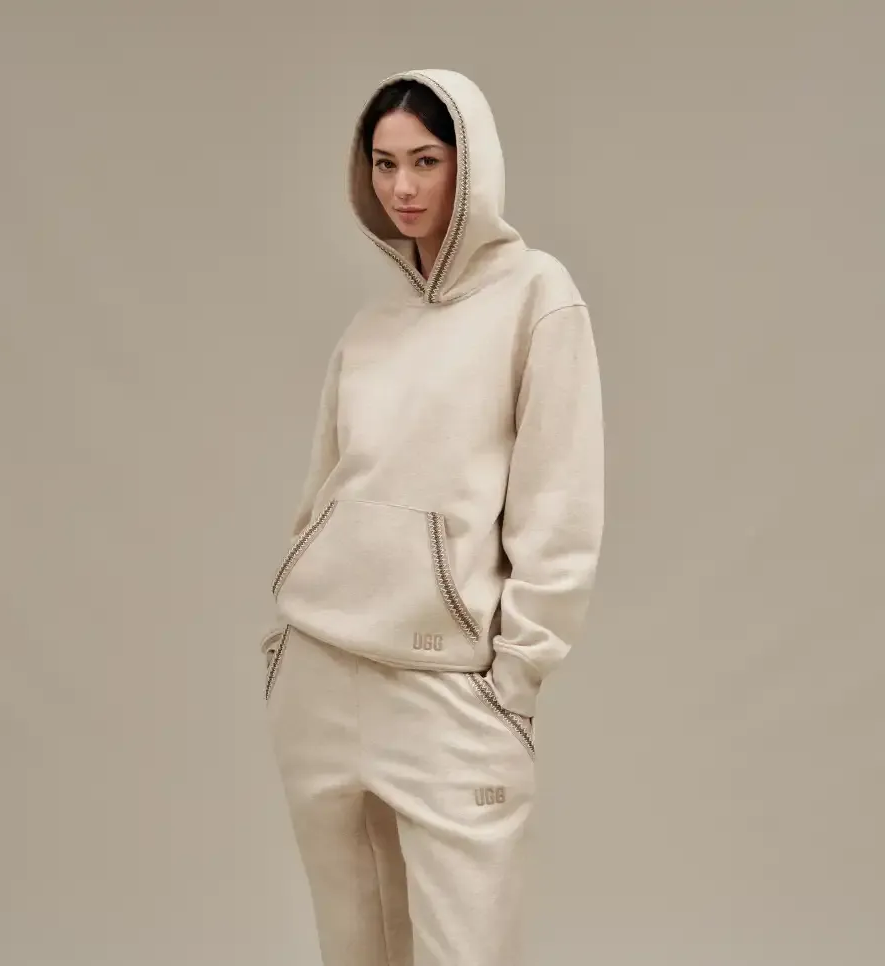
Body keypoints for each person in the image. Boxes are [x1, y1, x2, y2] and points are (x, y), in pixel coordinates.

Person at [261, 68, 605, 966]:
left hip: (447, 691)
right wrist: (283, 643)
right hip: (321, 676)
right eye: (384, 164)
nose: (403, 188)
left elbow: (561, 502)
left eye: (425, 160)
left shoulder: (537, 295)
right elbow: (322, 492)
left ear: (470, 164)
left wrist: (517, 677)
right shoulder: (371, 325)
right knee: (352, 951)